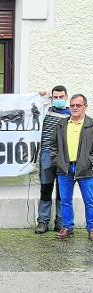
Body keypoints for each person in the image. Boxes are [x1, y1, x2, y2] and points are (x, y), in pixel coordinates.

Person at [51, 94, 93, 240]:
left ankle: (92, 228)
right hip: (65, 168)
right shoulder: (61, 125)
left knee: (90, 200)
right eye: (72, 105)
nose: (74, 108)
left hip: (85, 169)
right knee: (65, 200)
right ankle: (67, 227)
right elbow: (53, 145)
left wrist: (90, 161)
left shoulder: (91, 125)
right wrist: (58, 161)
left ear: (85, 107)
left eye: (78, 105)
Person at [35, 86, 70, 234]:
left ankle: (60, 221)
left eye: (61, 97)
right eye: (55, 97)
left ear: (66, 97)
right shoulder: (46, 111)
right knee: (46, 189)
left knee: (62, 190)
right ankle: (43, 221)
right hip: (46, 155)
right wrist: (43, 95)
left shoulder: (71, 114)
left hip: (64, 156)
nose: (58, 100)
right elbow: (34, 106)